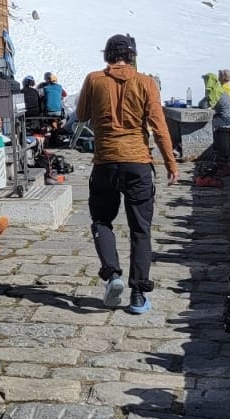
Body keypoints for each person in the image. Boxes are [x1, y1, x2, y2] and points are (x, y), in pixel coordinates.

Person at [75, 33, 179, 315]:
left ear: (107, 56)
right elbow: (159, 127)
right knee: (140, 229)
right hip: (138, 162)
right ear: (132, 55)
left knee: (101, 220)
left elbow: (81, 114)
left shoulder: (94, 79)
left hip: (105, 161)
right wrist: (170, 163)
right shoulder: (146, 83)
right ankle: (137, 294)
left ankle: (112, 275)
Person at [211, 67, 230, 163]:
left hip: (225, 117)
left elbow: (229, 103)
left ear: (223, 78)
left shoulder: (224, 88)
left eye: (220, 75)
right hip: (227, 115)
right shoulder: (226, 87)